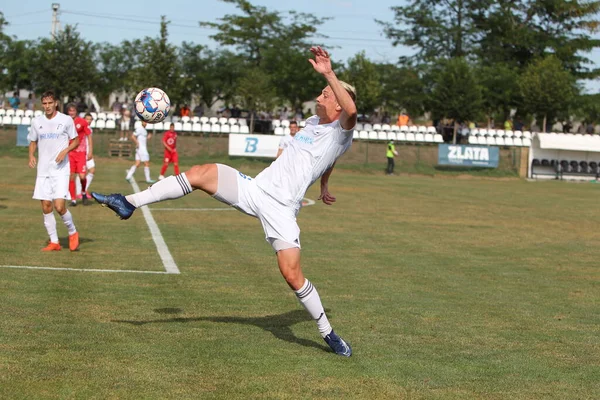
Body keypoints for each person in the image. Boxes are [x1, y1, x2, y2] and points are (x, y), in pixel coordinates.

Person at [92, 46, 356, 357]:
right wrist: (324, 183)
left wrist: (330, 73)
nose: (321, 95)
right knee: (202, 173)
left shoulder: (342, 128)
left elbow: (351, 113)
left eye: (326, 93)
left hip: (282, 207)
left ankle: (327, 332)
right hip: (256, 188)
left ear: (338, 102)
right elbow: (328, 159)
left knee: (292, 274)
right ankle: (128, 202)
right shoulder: (313, 123)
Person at [28, 91, 80, 252]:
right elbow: (33, 141)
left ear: (56, 103)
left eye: (50, 103)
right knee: (46, 206)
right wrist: (31, 155)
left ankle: (72, 231)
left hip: (60, 170)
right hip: (43, 170)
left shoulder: (65, 120)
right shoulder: (37, 121)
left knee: (59, 206)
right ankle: (54, 242)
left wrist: (65, 151)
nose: (47, 106)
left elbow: (76, 141)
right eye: (44, 103)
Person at [66, 103, 92, 206]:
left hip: (81, 152)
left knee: (82, 176)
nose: (71, 112)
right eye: (70, 111)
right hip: (70, 153)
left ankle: (84, 192)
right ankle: (73, 199)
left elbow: (89, 135)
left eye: (73, 110)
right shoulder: (65, 122)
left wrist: (90, 151)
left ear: (76, 111)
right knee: (71, 176)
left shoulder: (82, 122)